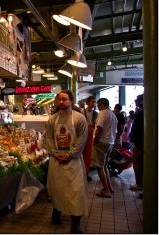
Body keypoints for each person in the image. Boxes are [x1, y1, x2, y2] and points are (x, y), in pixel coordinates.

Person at [45, 90, 88, 233]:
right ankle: (57, 212)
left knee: (75, 191)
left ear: (71, 100)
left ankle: (76, 222)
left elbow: (82, 139)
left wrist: (70, 154)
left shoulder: (79, 119)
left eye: (64, 99)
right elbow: (49, 138)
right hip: (56, 160)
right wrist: (55, 153)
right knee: (57, 190)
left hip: (73, 162)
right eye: (59, 99)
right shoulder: (52, 119)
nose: (61, 102)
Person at [92, 98, 117, 198]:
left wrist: (95, 141)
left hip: (102, 142)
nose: (97, 107)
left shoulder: (102, 113)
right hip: (110, 142)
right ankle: (109, 187)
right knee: (105, 166)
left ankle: (106, 190)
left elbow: (99, 128)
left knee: (99, 167)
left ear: (102, 104)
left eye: (98, 105)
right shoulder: (113, 115)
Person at [129, 94, 144, 193]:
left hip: (139, 142)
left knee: (137, 162)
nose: (135, 101)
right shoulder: (141, 111)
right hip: (138, 141)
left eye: (137, 100)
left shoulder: (142, 112)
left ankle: (139, 183)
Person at [81, 96, 98, 181]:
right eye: (92, 102)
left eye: (95, 102)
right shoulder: (82, 111)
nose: (94, 103)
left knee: (88, 156)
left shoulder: (95, 113)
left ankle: (86, 174)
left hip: (91, 135)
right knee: (82, 154)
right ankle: (81, 174)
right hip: (83, 134)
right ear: (88, 103)